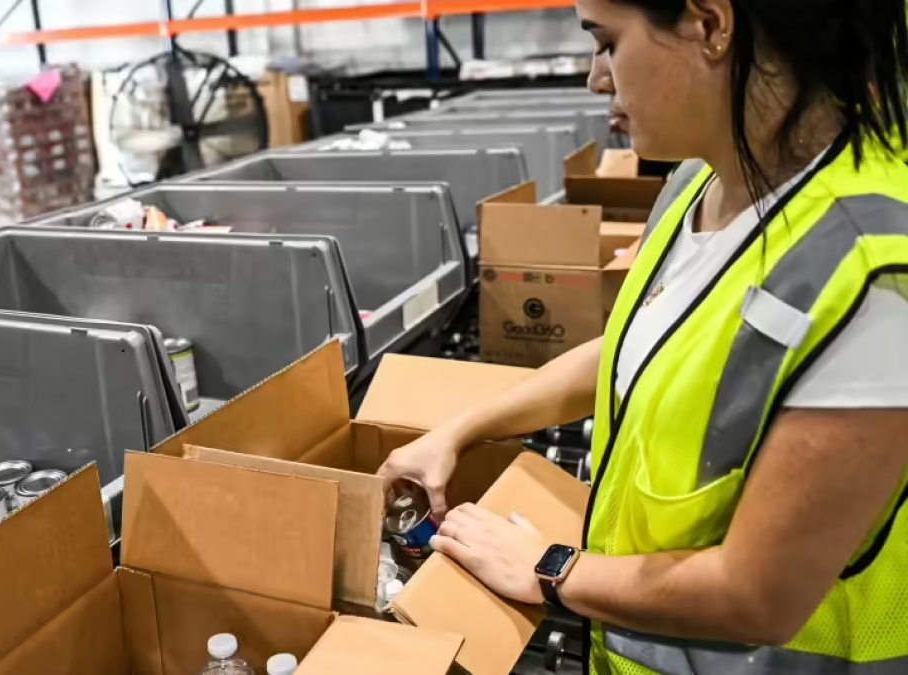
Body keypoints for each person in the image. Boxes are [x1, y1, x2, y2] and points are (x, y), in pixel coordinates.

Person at [378, 0, 908, 672]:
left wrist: (549, 568)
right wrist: (458, 429)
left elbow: (759, 597)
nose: (596, 79)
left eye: (606, 42)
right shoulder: (699, 182)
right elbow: (635, 345)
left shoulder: (876, 274)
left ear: (712, 25)